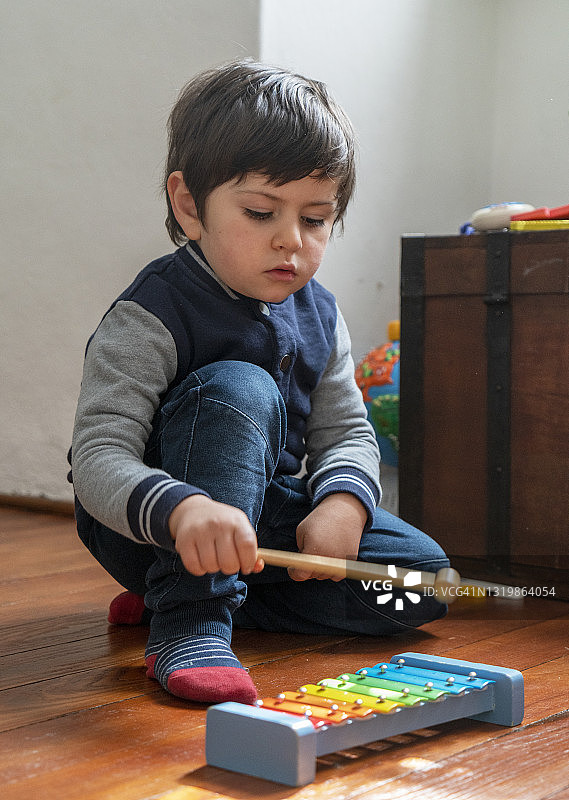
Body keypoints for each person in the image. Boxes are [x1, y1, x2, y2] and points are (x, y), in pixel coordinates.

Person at [70, 59, 449, 706]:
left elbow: (346, 432)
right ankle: (189, 622)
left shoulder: (321, 314)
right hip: (158, 523)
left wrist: (341, 503)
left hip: (263, 517)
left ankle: (188, 596)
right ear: (189, 205)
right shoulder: (151, 315)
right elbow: (98, 459)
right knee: (239, 386)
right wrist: (182, 512)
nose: (289, 243)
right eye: (259, 212)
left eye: (314, 219)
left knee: (422, 582)